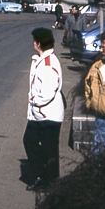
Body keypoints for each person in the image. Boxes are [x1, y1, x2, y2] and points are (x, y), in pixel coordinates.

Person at [24, 27, 64, 191]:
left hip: (49, 116)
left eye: (34, 40)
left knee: (49, 151)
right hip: (38, 115)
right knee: (29, 141)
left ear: (39, 43)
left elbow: (47, 93)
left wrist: (33, 100)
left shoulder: (48, 65)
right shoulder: (40, 60)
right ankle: (41, 176)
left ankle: (51, 184)